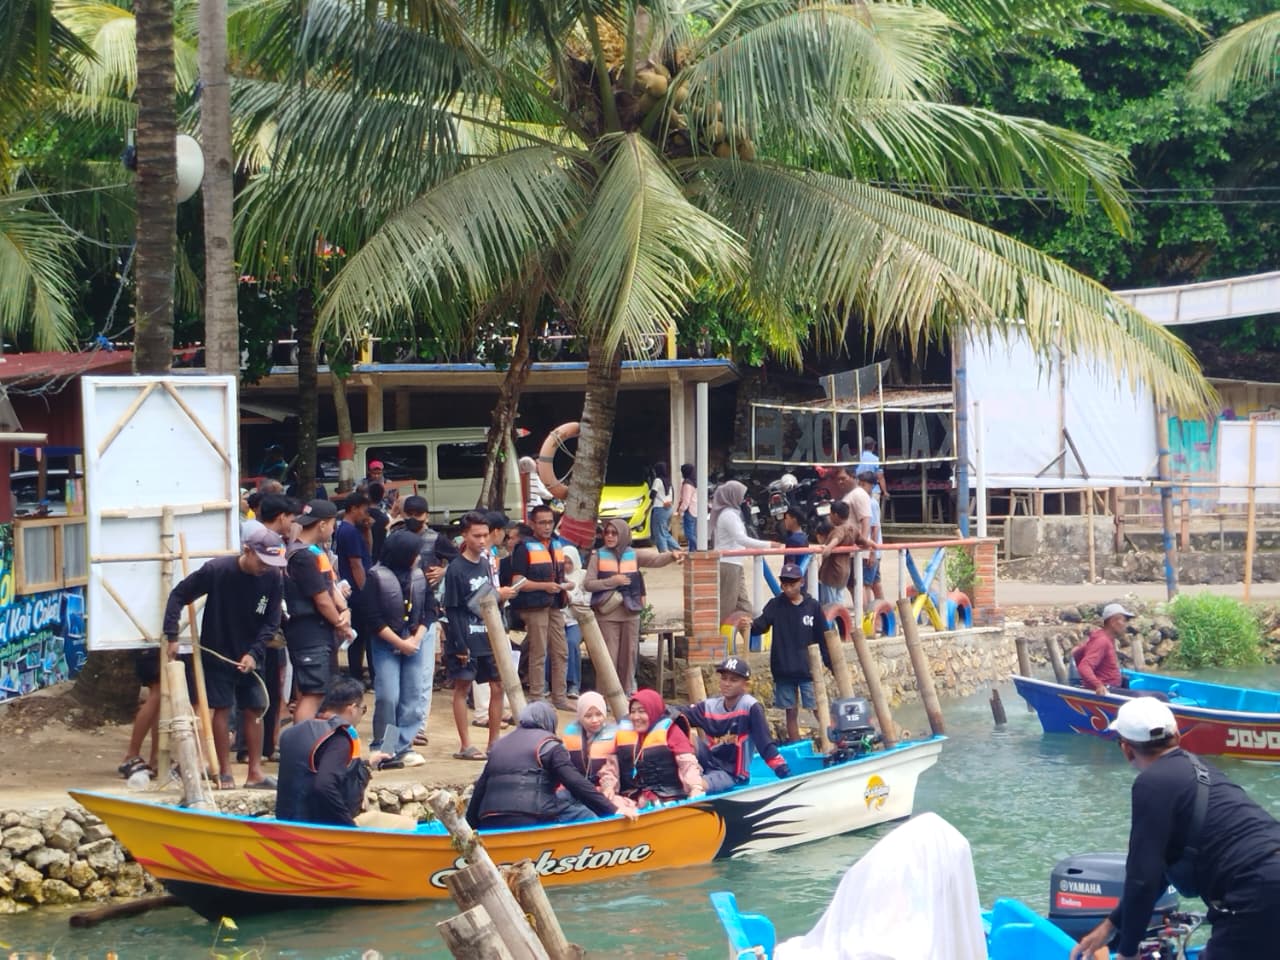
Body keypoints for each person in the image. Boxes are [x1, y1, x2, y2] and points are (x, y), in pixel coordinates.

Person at [1069, 698, 1280, 960]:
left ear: (1127, 749)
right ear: (1178, 735)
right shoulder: (1202, 770)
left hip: (1257, 889)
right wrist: (1111, 925)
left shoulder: (1150, 783)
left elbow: (1142, 878)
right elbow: (1160, 873)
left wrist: (1127, 952)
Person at [162, 528, 286, 790]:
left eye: (271, 562)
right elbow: (179, 595)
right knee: (222, 708)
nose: (265, 567)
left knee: (255, 707)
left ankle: (255, 772)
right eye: (262, 560)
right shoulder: (217, 571)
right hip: (218, 649)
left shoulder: (273, 577)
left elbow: (272, 620)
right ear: (248, 551)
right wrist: (171, 634)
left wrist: (254, 653)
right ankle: (224, 771)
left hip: (253, 652)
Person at [465, 701, 632, 828]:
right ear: (549, 723)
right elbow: (575, 782)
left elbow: (480, 788)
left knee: (565, 798)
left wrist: (470, 826)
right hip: (530, 817)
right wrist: (613, 810)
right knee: (583, 813)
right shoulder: (549, 745)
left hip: (489, 819)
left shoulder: (499, 746)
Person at [442, 512, 516, 760]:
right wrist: (460, 644)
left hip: (488, 635)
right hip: (466, 636)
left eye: (485, 535)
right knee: (463, 687)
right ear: (464, 535)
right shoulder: (455, 569)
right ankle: (465, 744)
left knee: (498, 685)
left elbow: (490, 600)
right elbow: (452, 610)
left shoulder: (485, 564)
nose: (482, 540)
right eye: (476, 536)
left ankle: (494, 742)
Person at [583, 518, 682, 696]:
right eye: (607, 533)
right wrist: (612, 581)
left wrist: (671, 556)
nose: (610, 536)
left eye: (614, 533)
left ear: (623, 535)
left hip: (631, 613)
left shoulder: (633, 554)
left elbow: (656, 559)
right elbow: (588, 584)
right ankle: (605, 697)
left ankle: (627, 694)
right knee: (608, 658)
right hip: (607, 614)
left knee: (629, 656)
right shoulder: (598, 555)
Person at [275, 677, 390, 826]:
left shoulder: (290, 733)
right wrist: (348, 825)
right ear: (352, 708)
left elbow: (312, 771)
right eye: (363, 709)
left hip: (287, 824)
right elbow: (324, 785)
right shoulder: (339, 738)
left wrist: (368, 764)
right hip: (321, 828)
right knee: (407, 825)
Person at [365, 530, 430, 767]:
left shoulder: (418, 576)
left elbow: (429, 611)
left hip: (413, 642)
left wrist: (415, 639)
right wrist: (400, 643)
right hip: (387, 643)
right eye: (414, 554)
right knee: (389, 696)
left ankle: (401, 746)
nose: (418, 558)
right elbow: (372, 618)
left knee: (411, 696)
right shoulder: (375, 577)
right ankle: (384, 747)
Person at [284, 499, 352, 722]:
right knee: (313, 694)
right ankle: (302, 741)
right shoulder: (302, 556)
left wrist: (344, 610)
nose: (333, 529)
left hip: (320, 631)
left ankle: (315, 739)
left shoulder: (315, 551)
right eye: (332, 524)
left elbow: (330, 587)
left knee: (320, 691)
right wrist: (340, 623)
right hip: (308, 632)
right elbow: (321, 599)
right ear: (322, 524)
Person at [682, 656, 792, 793]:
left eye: (733, 680)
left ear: (745, 685)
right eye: (724, 679)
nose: (727, 684)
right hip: (708, 761)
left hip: (731, 773)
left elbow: (765, 746)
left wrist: (786, 775)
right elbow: (678, 713)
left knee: (697, 785)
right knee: (683, 731)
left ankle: (694, 785)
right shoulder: (709, 706)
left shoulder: (750, 707)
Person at [746, 563, 829, 742]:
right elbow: (761, 625)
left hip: (808, 670)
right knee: (790, 711)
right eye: (785, 584)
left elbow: (823, 637)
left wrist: (829, 662)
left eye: (792, 584)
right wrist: (749, 625)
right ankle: (795, 743)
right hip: (783, 669)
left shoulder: (813, 607)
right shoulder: (775, 605)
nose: (788, 588)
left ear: (801, 582)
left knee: (818, 707)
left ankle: (831, 740)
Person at [508, 504, 570, 707]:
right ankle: (537, 696)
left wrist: (564, 586)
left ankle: (559, 697)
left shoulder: (556, 544)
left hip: (555, 604)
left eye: (550, 522)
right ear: (532, 524)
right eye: (542, 523)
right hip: (534, 607)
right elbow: (517, 582)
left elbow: (559, 574)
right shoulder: (524, 547)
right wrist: (545, 586)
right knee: (538, 651)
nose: (547, 526)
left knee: (561, 651)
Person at [616, 688, 705, 807]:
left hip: (669, 798)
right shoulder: (624, 734)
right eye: (633, 712)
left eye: (642, 711)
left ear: (653, 711)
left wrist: (696, 788)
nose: (636, 717)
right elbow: (611, 767)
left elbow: (687, 763)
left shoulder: (672, 732)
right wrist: (609, 790)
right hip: (635, 800)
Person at [709, 480, 778, 623]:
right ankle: (718, 634)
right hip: (729, 564)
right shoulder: (729, 515)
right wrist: (769, 545)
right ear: (732, 496)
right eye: (740, 495)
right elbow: (741, 539)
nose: (742, 499)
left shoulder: (731, 514)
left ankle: (750, 634)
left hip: (734, 563)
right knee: (726, 606)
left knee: (744, 607)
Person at [562, 692, 631, 810]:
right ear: (580, 716)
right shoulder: (570, 734)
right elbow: (563, 766)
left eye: (599, 714)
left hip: (602, 790)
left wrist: (608, 787)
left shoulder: (614, 735)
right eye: (588, 716)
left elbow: (611, 767)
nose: (594, 720)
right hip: (575, 790)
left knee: (618, 806)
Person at [336, 492, 375, 687]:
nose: (365, 514)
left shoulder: (352, 530)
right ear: (353, 509)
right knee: (362, 636)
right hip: (357, 591)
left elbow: (368, 550)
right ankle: (359, 676)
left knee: (360, 636)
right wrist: (366, 591)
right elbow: (356, 564)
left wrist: (367, 529)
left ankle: (357, 675)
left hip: (354, 588)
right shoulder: (349, 532)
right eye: (364, 510)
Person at [1071, 602, 1132, 695]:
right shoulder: (1102, 640)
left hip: (1114, 687)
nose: (1125, 624)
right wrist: (1098, 685)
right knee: (1154, 696)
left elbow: (1079, 652)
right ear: (1113, 622)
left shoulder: (1105, 637)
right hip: (1108, 690)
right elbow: (1084, 666)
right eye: (1124, 620)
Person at [558, 539, 587, 699]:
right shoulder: (557, 576)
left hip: (575, 620)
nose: (567, 566)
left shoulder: (582, 576)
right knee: (549, 645)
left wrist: (570, 597)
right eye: (564, 562)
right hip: (558, 619)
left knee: (571, 643)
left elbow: (585, 600)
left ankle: (573, 684)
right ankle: (549, 682)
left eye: (570, 562)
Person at [817, 501, 857, 607]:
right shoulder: (853, 529)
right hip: (844, 573)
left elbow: (837, 538)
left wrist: (828, 548)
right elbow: (863, 540)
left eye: (830, 514)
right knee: (839, 603)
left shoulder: (839, 529)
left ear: (835, 515)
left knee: (829, 606)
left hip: (831, 574)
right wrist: (872, 545)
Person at [856, 466, 884, 607]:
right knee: (875, 581)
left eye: (864, 484)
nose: (861, 487)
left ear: (872, 486)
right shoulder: (868, 502)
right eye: (859, 484)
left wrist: (871, 552)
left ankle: (866, 613)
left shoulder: (870, 503)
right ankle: (884, 610)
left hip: (870, 550)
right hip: (874, 549)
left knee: (864, 584)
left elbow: (875, 528)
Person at [649, 461, 679, 552]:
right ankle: (677, 548)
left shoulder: (657, 480)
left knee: (659, 532)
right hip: (668, 509)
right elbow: (672, 496)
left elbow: (652, 495)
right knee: (664, 531)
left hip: (660, 508)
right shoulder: (668, 481)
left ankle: (664, 552)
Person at [858, 437, 889, 506]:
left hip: (859, 490)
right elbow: (880, 477)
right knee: (874, 511)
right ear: (873, 446)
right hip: (873, 490)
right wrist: (885, 492)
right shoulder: (876, 459)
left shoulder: (857, 459)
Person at [677, 462, 699, 549]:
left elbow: (686, 500)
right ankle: (692, 551)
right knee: (692, 533)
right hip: (695, 510)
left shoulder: (687, 484)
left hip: (689, 511)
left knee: (689, 533)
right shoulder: (694, 483)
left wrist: (680, 510)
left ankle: (698, 548)